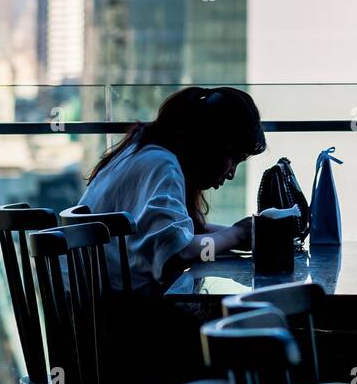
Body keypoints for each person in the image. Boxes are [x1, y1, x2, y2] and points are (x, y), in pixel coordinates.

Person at [81, 85, 266, 294]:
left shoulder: (140, 152)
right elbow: (177, 254)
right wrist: (236, 236)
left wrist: (241, 234)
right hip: (119, 315)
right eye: (233, 158)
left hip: (92, 306)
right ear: (209, 144)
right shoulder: (162, 165)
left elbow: (181, 236)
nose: (231, 173)